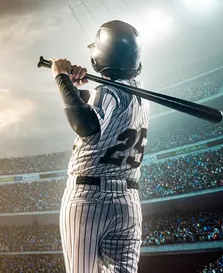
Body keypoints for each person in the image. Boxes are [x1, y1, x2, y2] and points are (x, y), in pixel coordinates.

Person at [50, 20, 149, 273]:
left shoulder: (107, 92)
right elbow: (100, 110)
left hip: (89, 198)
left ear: (98, 59)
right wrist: (75, 88)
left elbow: (86, 124)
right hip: (128, 201)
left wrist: (61, 78)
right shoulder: (142, 97)